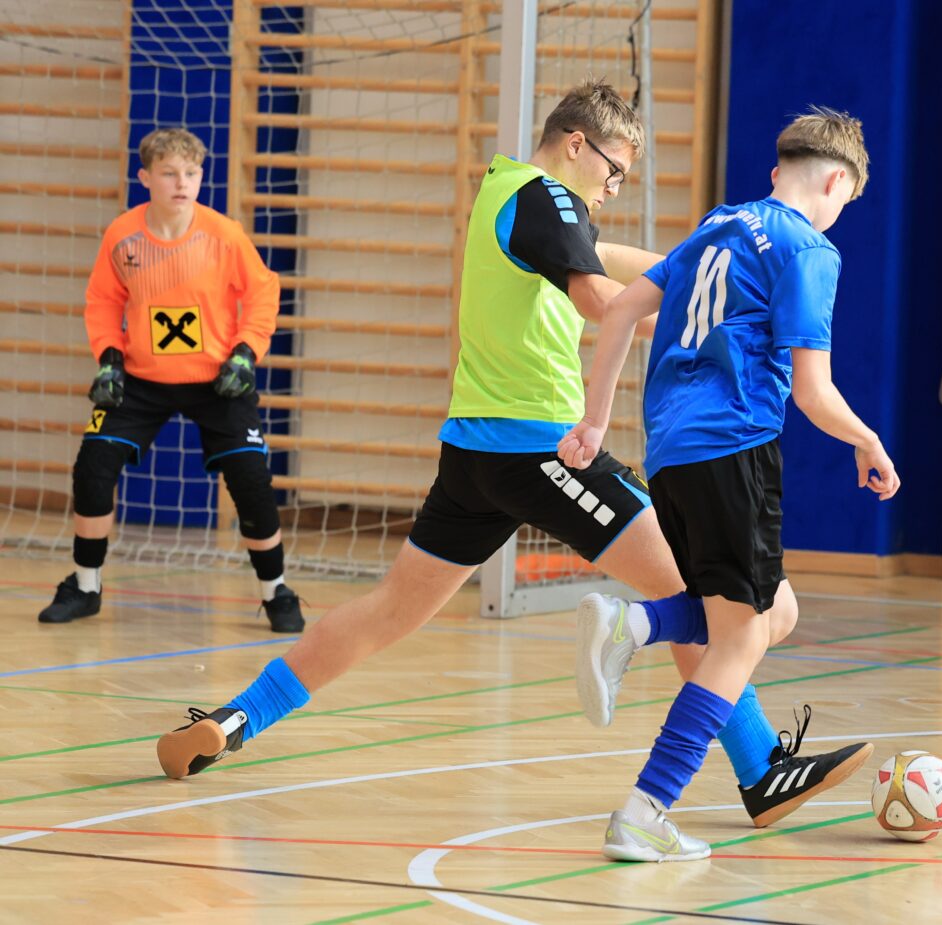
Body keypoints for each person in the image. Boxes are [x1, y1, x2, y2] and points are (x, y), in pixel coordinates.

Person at [154, 83, 864, 834]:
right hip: (541, 449)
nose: (614, 188)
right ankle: (759, 768)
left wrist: (713, 267)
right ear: (576, 144)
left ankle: (239, 716)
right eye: (614, 170)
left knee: (389, 610)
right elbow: (603, 301)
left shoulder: (506, 192)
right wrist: (715, 309)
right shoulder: (547, 198)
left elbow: (622, 258)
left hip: (473, 451)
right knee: (697, 593)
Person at [557, 106, 896, 862]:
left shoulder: (717, 225)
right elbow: (812, 391)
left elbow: (620, 312)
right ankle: (646, 808)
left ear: (778, 172)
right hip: (735, 446)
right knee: (741, 636)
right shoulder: (809, 249)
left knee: (774, 610)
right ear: (835, 183)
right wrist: (867, 439)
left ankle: (636, 625)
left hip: (671, 452)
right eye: (846, 201)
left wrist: (595, 421)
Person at [37, 127, 304, 634]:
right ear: (145, 178)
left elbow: (264, 293)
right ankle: (86, 586)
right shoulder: (123, 235)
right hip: (141, 378)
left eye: (191, 173)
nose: (182, 183)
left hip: (218, 379)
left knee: (250, 480)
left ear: (201, 177)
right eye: (169, 173)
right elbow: (103, 301)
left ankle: (277, 592)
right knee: (93, 467)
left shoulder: (224, 235)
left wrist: (246, 353)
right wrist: (109, 357)